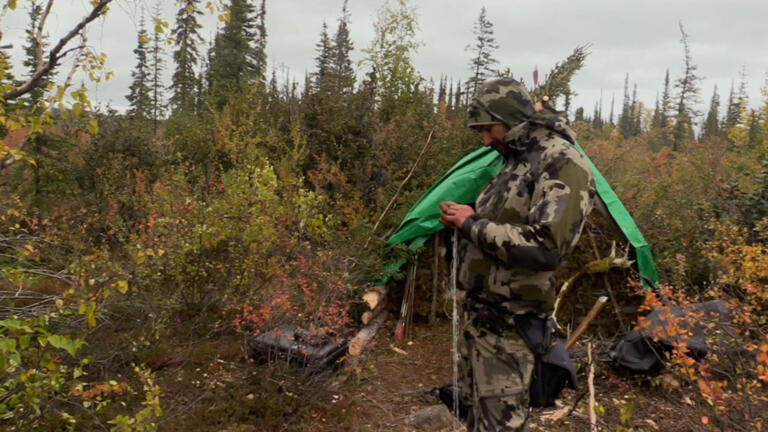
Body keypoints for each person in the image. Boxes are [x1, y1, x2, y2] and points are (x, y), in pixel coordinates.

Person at [439, 78, 595, 431]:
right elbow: (506, 224)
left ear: (510, 119)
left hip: (511, 330)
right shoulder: (517, 159)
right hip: (481, 323)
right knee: (474, 420)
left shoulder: (562, 162)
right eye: (479, 131)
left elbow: (547, 247)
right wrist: (464, 219)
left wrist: (471, 224)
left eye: (488, 129)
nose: (485, 140)